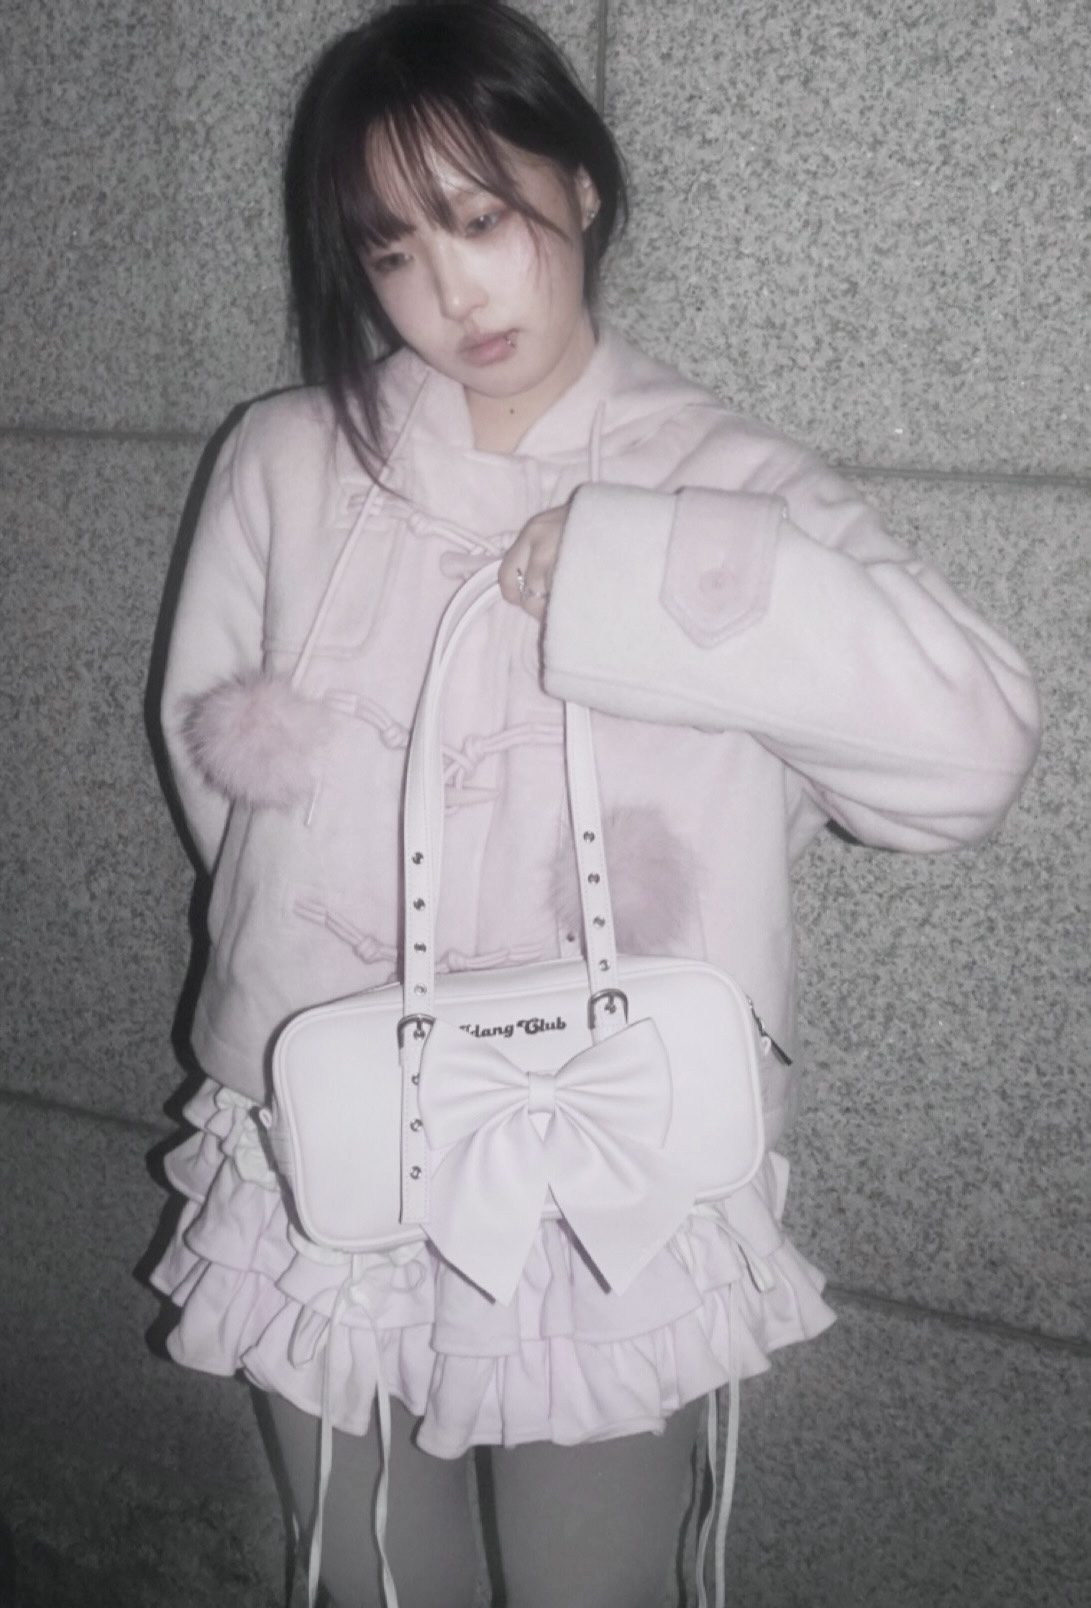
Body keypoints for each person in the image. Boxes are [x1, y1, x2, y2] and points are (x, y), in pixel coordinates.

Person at [147, 4, 1040, 1605]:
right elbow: (229, 799)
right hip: (331, 1130)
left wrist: (646, 575)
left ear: (582, 187)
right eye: (395, 248)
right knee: (370, 1578)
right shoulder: (282, 461)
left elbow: (967, 764)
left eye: (481, 216)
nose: (452, 290)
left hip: (602, 1171)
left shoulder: (727, 479)